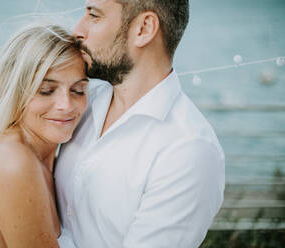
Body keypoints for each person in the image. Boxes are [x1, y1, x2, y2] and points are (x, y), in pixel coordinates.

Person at [55, 0, 225, 247]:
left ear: (144, 28)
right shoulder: (81, 104)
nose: (77, 31)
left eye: (94, 16)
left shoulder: (189, 150)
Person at [0, 23, 88, 247]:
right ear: (15, 91)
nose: (66, 105)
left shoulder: (45, 159)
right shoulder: (12, 162)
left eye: (78, 90)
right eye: (46, 90)